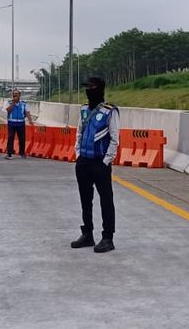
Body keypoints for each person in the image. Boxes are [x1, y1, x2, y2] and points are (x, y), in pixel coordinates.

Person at [71, 76, 119, 253]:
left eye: (91, 87)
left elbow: (115, 139)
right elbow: (78, 133)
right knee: (85, 199)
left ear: (99, 88)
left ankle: (108, 237)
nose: (88, 90)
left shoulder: (110, 111)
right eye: (87, 87)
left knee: (106, 199)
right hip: (83, 161)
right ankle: (87, 234)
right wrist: (78, 154)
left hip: (100, 162)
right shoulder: (83, 110)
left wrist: (106, 161)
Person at [4, 89, 34, 160]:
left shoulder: (24, 103)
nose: (15, 95)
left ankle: (22, 153)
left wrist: (30, 120)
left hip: (21, 123)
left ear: (20, 95)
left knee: (22, 138)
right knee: (10, 138)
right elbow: (8, 110)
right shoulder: (9, 102)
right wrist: (13, 103)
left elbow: (27, 112)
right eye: (14, 94)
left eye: (17, 94)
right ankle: (9, 153)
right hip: (12, 123)